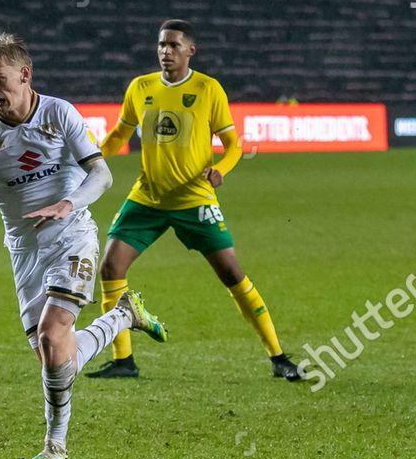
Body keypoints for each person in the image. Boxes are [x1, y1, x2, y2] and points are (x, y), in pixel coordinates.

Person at [0, 34, 170, 459]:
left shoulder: (59, 114)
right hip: (23, 250)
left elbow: (101, 175)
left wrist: (68, 203)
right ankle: (123, 316)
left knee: (51, 334)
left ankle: (55, 446)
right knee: (55, 357)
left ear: (24, 75)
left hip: (72, 234)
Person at [89, 20, 304, 381]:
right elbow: (117, 136)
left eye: (173, 45)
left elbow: (234, 143)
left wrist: (221, 169)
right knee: (111, 268)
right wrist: (91, 161)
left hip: (194, 197)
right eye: (161, 45)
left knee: (232, 273)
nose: (165, 51)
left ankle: (278, 357)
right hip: (148, 197)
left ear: (191, 50)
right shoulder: (140, 87)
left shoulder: (208, 89)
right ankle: (123, 360)